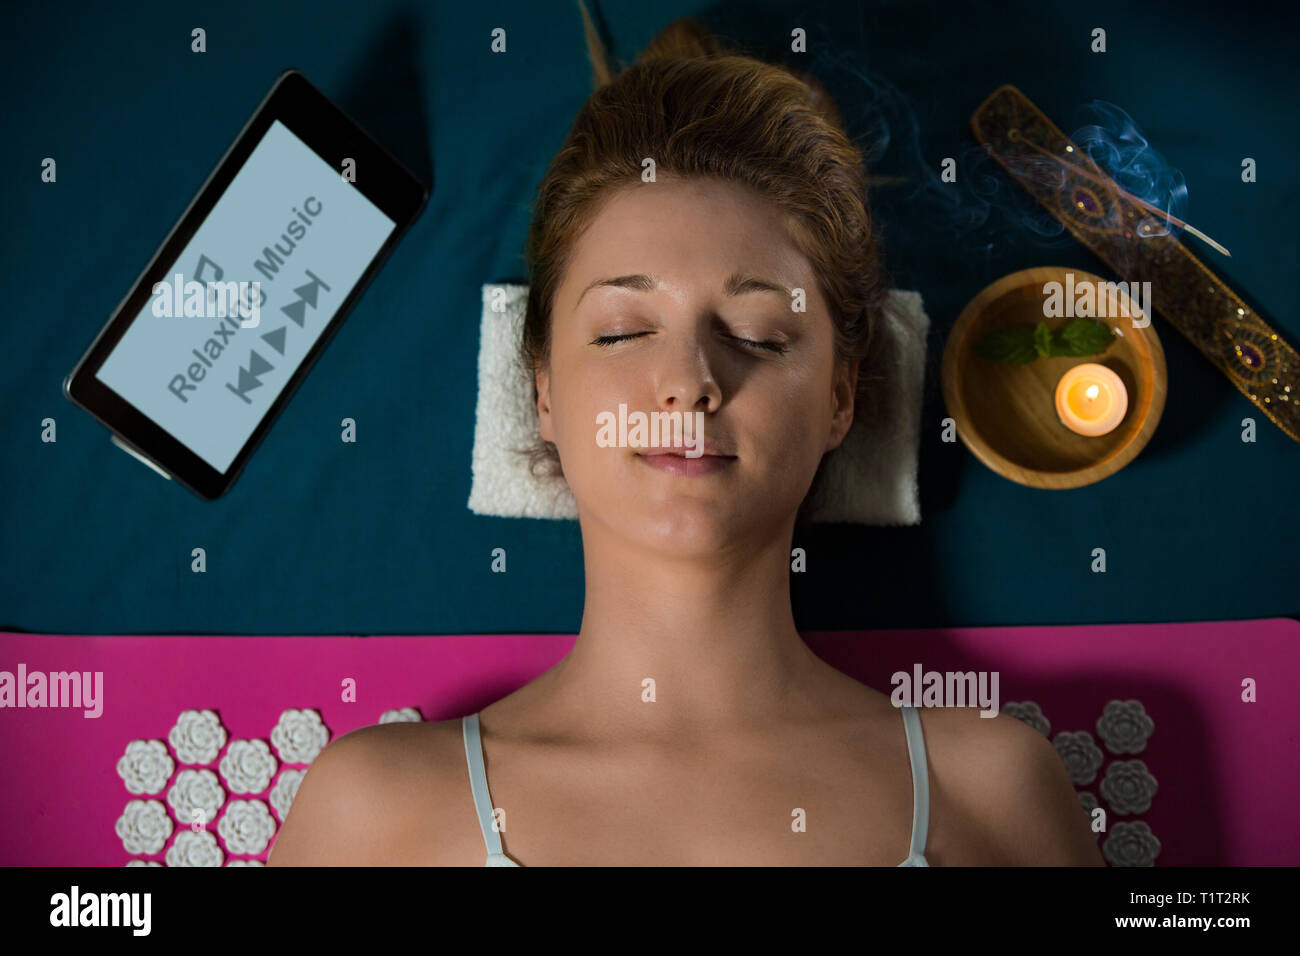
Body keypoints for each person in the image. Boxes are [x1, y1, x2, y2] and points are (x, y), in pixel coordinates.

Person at [270, 9, 1103, 867]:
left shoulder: (995, 790)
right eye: (624, 330)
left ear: (840, 400)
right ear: (543, 393)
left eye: (758, 334)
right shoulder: (372, 813)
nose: (691, 382)